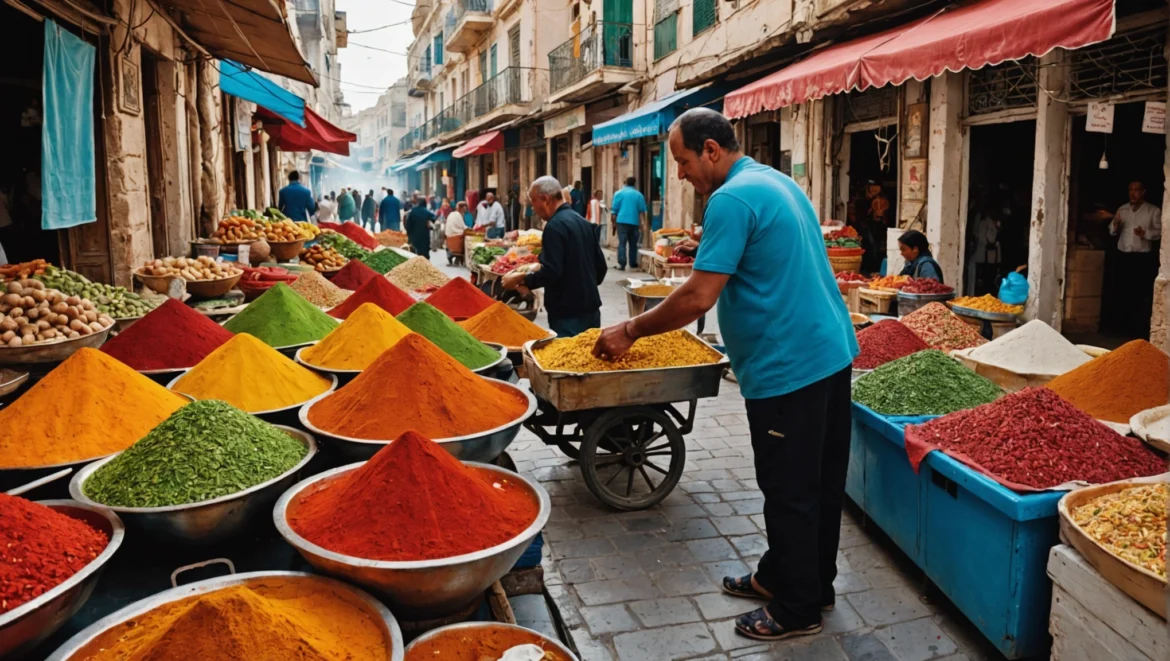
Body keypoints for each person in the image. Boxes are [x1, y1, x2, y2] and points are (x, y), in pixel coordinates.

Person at [592, 108, 857, 643]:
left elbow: (697, 294)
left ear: (712, 149)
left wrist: (630, 330)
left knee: (789, 488)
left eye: (684, 162)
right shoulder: (775, 181)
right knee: (818, 482)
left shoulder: (732, 200)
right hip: (829, 355)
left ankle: (796, 608)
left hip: (790, 367)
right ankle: (796, 578)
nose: (682, 174)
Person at [502, 176, 607, 337]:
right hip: (591, 310)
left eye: (533, 202)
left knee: (570, 360)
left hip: (567, 314)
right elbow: (601, 267)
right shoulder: (582, 222)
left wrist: (521, 280)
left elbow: (551, 272)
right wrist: (583, 284)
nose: (533, 209)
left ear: (545, 199)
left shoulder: (554, 226)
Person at [1110, 180, 1161, 336]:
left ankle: (1138, 332)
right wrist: (1116, 225)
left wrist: (1145, 233)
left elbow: (1160, 232)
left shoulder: (1153, 211)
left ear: (1143, 191)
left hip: (1141, 260)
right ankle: (1120, 330)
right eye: (1130, 189)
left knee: (1140, 296)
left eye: (1136, 190)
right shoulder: (1123, 209)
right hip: (1123, 257)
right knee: (1121, 293)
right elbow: (1111, 231)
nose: (1133, 193)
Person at [611, 177, 647, 271]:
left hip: (622, 221)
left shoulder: (619, 193)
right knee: (633, 244)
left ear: (626, 183)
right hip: (634, 222)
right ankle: (632, 263)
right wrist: (643, 224)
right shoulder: (639, 195)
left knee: (622, 243)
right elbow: (642, 211)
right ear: (634, 184)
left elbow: (614, 209)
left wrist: (613, 223)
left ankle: (622, 264)